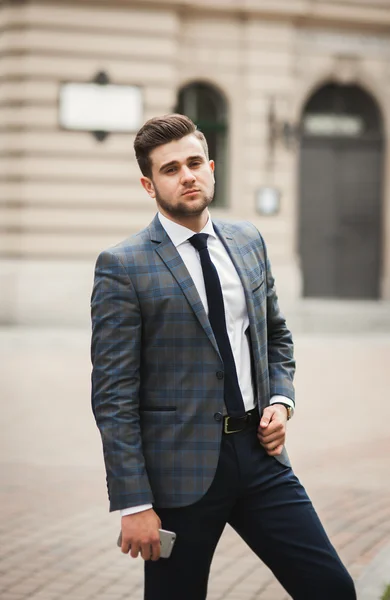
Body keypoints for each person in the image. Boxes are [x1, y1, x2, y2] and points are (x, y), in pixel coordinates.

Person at [91, 114, 356, 600]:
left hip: (261, 457)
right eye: (171, 169)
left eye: (194, 162)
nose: (187, 175)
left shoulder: (248, 242)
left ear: (211, 167)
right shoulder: (123, 266)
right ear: (149, 185)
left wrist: (281, 400)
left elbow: (276, 336)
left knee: (331, 588)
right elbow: (113, 396)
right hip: (179, 475)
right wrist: (134, 502)